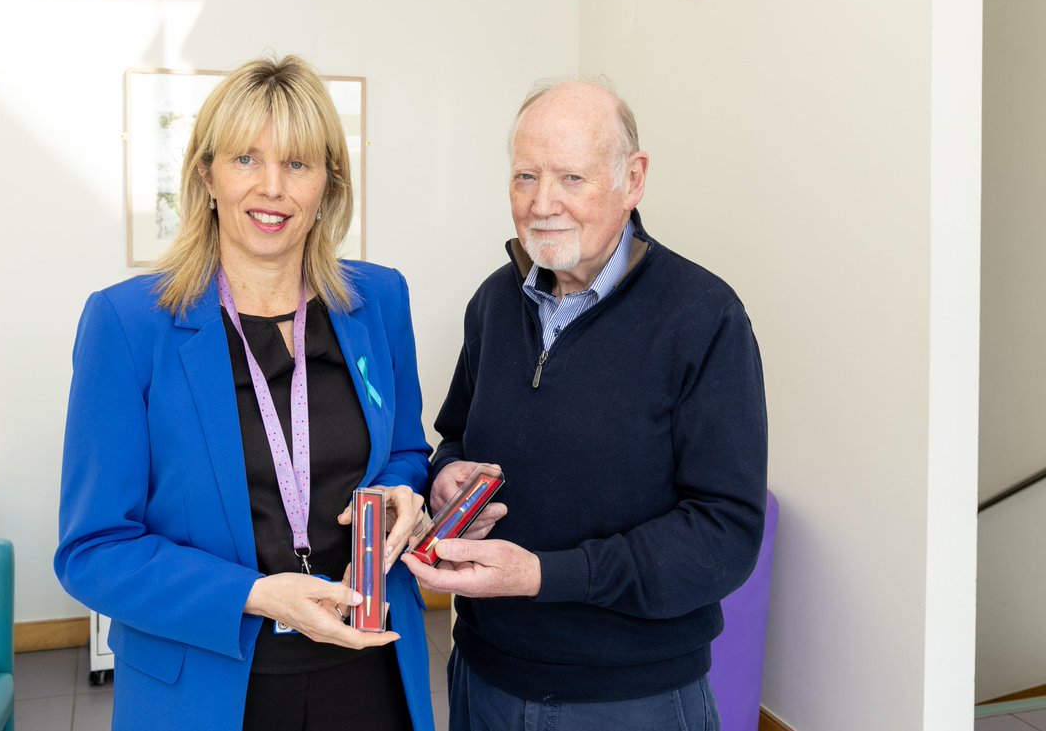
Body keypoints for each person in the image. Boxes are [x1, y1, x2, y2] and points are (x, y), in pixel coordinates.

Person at [56, 55, 434, 731]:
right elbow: (93, 549)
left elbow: (406, 449)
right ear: (206, 175)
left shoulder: (379, 299)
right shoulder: (128, 323)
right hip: (207, 684)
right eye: (245, 160)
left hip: (371, 667)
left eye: (297, 163)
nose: (272, 188)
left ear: (329, 183)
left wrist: (403, 492)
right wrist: (257, 594)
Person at [402, 79, 768, 731]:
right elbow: (455, 436)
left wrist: (544, 575)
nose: (543, 204)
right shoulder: (492, 301)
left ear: (633, 179)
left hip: (633, 699)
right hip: (484, 679)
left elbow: (725, 535)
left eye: (571, 177)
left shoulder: (704, 317)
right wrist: (446, 478)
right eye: (525, 176)